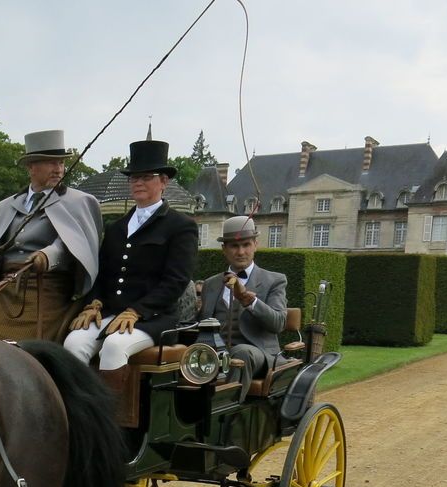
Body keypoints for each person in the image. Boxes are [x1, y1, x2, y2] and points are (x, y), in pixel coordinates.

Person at [62, 136, 196, 395]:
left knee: (114, 345)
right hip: (111, 314)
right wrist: (95, 302)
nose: (138, 182)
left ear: (163, 181)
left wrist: (137, 311)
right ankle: (78, 417)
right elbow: (102, 274)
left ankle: (113, 424)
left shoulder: (180, 226)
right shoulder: (116, 227)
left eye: (146, 177)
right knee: (74, 342)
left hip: (154, 318)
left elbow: (176, 281)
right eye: (134, 177)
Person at [0, 130, 103, 342]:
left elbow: (75, 244)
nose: (58, 169)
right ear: (31, 167)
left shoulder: (80, 201)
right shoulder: (5, 206)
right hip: (4, 291)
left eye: (61, 163)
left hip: (49, 290)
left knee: (27, 350)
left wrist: (48, 256)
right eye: (51, 163)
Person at [199, 215, 288, 400]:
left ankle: (226, 417)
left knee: (241, 353)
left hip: (259, 353)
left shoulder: (274, 280)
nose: (241, 252)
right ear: (224, 249)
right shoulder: (211, 284)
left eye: (246, 245)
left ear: (255, 244)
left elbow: (279, 323)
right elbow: (199, 323)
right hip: (214, 354)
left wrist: (250, 302)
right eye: (234, 246)